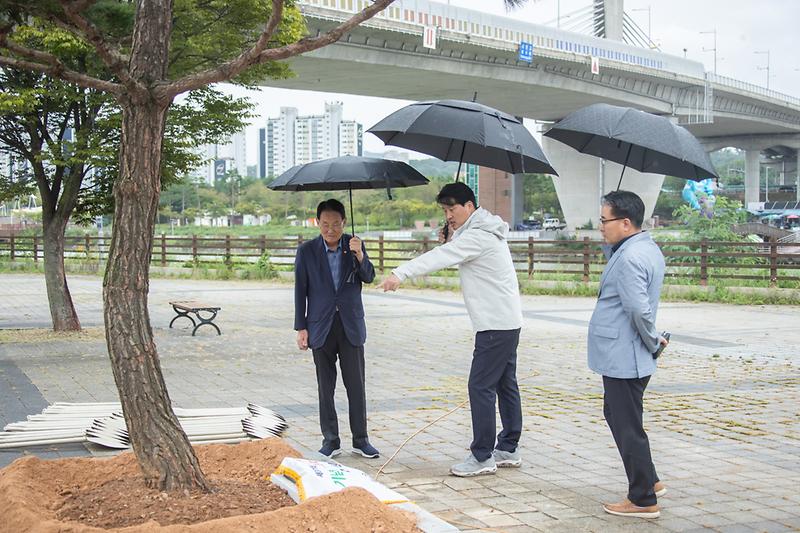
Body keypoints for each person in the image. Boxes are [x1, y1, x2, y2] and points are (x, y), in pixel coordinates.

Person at [377, 182, 523, 477]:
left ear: (470, 206)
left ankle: (482, 457)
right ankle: (507, 447)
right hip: (506, 322)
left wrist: (400, 272)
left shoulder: (479, 236)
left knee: (480, 386)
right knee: (505, 384)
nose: (448, 216)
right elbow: (453, 251)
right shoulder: (482, 231)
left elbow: (441, 258)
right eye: (444, 210)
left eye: (452, 209)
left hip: (495, 326)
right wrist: (452, 237)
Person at [588, 190, 669, 519]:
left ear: (625, 222)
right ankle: (650, 480)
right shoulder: (641, 247)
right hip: (624, 353)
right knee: (620, 416)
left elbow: (638, 309)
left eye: (605, 220)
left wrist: (653, 341)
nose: (600, 226)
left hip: (625, 355)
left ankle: (643, 498)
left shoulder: (631, 257)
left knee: (627, 425)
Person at [294, 199, 379, 459]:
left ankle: (361, 440)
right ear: (317, 223)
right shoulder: (307, 250)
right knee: (325, 387)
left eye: (335, 224)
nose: (330, 229)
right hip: (320, 326)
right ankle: (330, 440)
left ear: (343, 222)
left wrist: (360, 255)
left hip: (350, 325)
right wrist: (301, 327)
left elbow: (369, 276)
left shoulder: (354, 245)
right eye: (325, 224)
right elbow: (301, 290)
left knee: (356, 385)